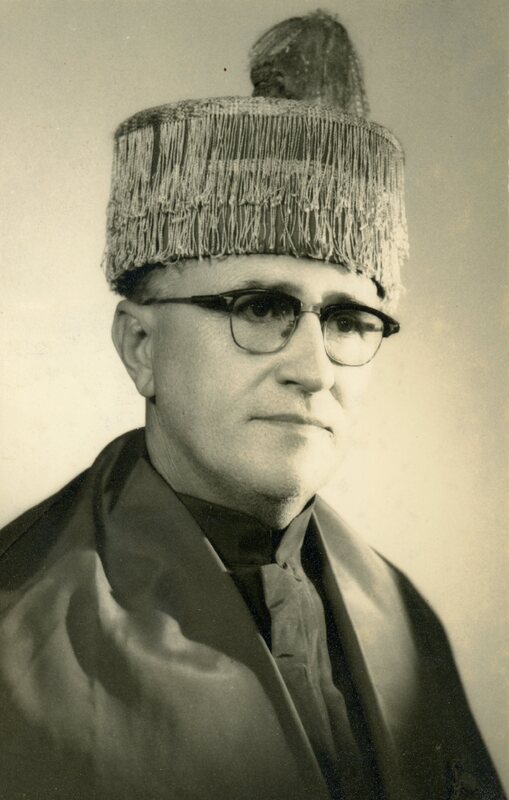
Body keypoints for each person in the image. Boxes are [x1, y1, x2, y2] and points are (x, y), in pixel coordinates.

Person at [0, 10, 504, 800]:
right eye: (261, 307)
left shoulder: (406, 622)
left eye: (348, 320)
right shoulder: (14, 638)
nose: (312, 368)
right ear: (140, 346)